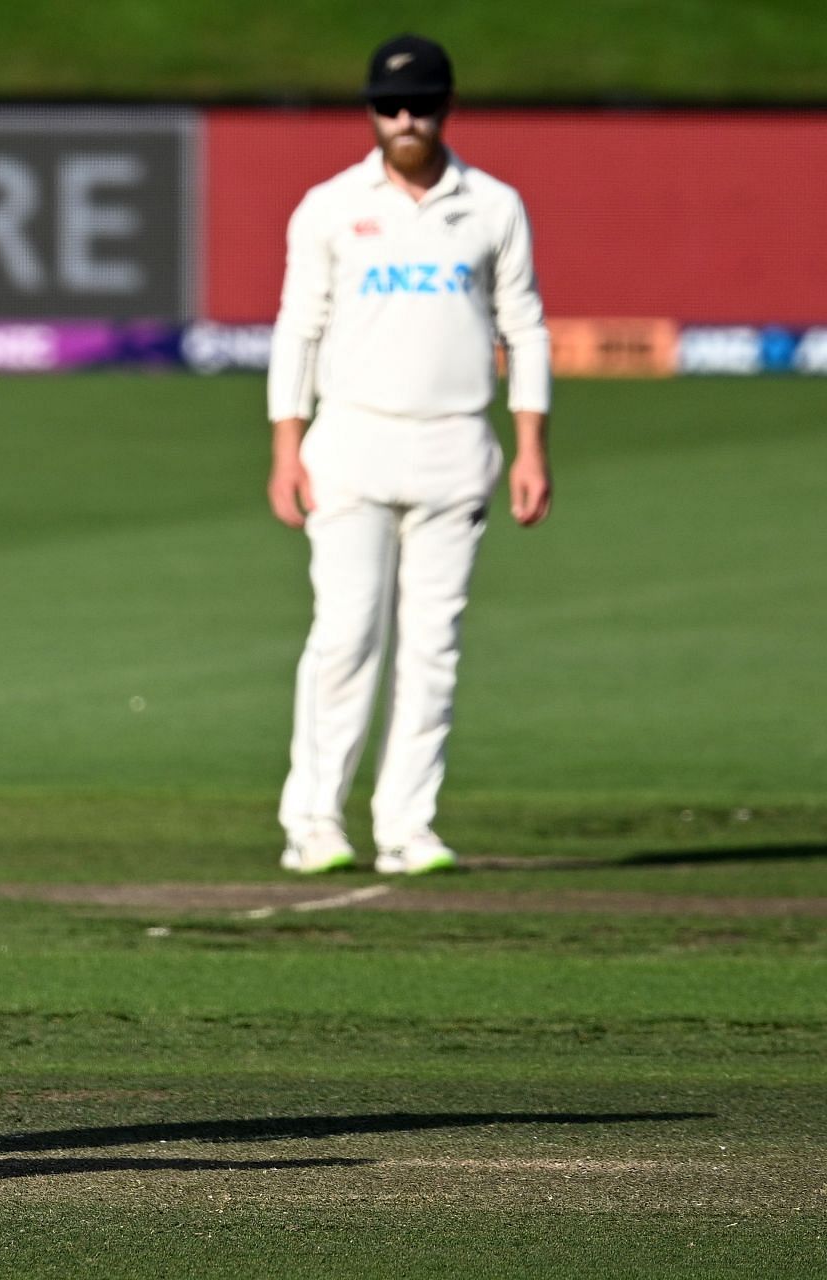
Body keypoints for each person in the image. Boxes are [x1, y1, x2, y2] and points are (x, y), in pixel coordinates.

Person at [266, 34, 553, 876]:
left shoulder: (492, 206)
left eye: (421, 105)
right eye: (390, 106)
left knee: (434, 646)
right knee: (346, 636)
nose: (405, 120)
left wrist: (531, 443)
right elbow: (299, 329)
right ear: (369, 110)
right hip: (351, 438)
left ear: (446, 107)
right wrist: (288, 445)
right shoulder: (329, 205)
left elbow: (525, 327)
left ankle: (407, 824)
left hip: (456, 441)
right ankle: (314, 820)